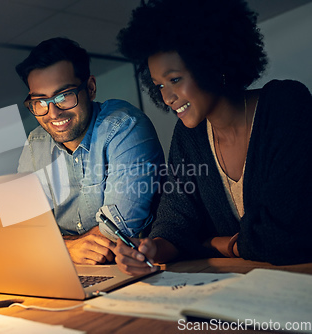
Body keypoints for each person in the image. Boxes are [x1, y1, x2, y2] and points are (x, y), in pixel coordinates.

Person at [114, 0, 312, 275]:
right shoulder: (188, 136)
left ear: (211, 63)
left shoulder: (286, 105)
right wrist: (150, 249)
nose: (167, 97)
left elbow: (284, 235)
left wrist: (217, 244)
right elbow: (176, 221)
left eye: (175, 79)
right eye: (159, 85)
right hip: (246, 287)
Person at [16, 37, 165, 265]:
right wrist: (67, 249)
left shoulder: (125, 126)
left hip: (133, 271)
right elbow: (21, 231)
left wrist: (51, 246)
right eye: (41, 101)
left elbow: (116, 234)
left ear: (90, 88)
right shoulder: (36, 143)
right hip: (64, 271)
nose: (53, 113)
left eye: (64, 96)